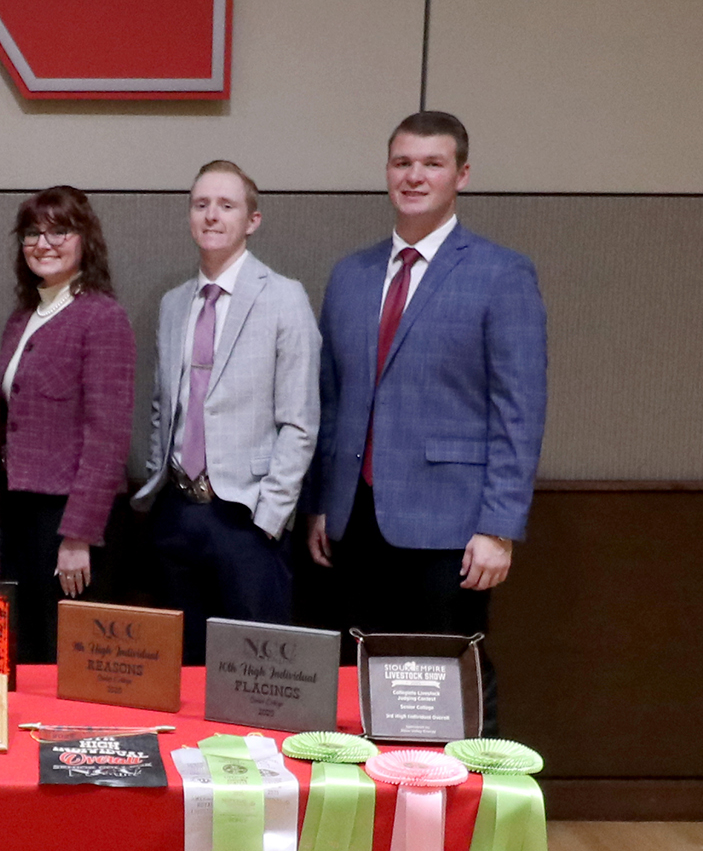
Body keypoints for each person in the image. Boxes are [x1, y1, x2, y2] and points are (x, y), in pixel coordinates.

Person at [305, 111, 547, 732]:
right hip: (355, 521)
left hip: (451, 527)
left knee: (449, 682)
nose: (414, 176)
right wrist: (323, 504)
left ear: (461, 175)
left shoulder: (501, 273)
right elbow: (332, 400)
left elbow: (519, 411)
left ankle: (469, 792)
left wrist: (499, 527)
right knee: (358, 685)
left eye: (432, 164)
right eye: (402, 163)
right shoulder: (351, 275)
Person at [131, 160, 321, 665]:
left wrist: (271, 517)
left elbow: (300, 421)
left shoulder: (284, 297)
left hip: (247, 519)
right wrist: (157, 485)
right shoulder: (174, 303)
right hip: (177, 514)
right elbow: (163, 406)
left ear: (252, 220)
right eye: (201, 205)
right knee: (182, 671)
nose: (211, 215)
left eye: (226, 205)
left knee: (251, 675)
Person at [0, 186, 136, 663]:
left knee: (64, 658)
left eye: (59, 231)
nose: (43, 243)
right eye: (32, 233)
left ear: (85, 239)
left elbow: (108, 439)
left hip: (69, 522)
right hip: (19, 515)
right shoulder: (21, 319)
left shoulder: (102, 317)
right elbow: (5, 430)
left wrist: (78, 536)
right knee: (22, 654)